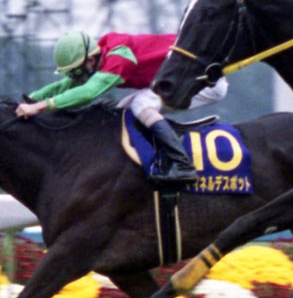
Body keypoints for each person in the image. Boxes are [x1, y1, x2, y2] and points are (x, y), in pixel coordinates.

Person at [15, 30, 228, 183]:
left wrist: (40, 107)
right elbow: (66, 85)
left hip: (203, 80)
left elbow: (88, 93)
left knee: (141, 103)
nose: (74, 77)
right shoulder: (102, 55)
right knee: (121, 111)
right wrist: (32, 98)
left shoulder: (118, 59)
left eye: (76, 71)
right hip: (181, 78)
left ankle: (183, 164)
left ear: (91, 60)